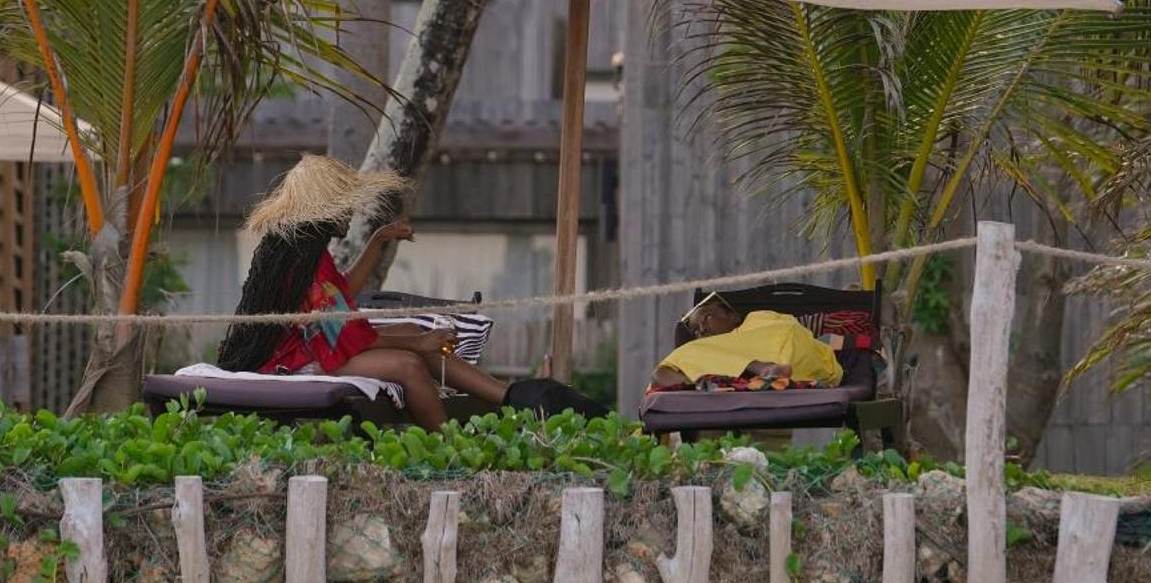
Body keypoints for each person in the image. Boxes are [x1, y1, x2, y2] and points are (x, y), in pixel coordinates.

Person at [216, 156, 581, 432]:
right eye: (344, 203)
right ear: (324, 206)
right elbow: (337, 333)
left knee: (416, 342)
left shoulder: (306, 247)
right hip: (291, 362)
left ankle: (513, 396)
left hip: (312, 348)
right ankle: (451, 447)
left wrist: (377, 242)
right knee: (408, 363)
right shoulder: (299, 256)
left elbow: (342, 294)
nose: (350, 211)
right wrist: (417, 343)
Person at [648, 290, 842, 393]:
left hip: (804, 358)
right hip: (787, 373)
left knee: (687, 354)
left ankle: (764, 370)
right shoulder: (710, 350)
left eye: (706, 318)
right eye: (697, 331)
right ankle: (696, 386)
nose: (703, 330)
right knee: (671, 365)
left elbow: (791, 330)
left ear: (732, 315)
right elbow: (660, 376)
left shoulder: (758, 319)